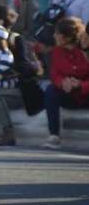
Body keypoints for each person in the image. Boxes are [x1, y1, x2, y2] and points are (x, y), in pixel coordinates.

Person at [42, 17, 89, 149]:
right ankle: (54, 135)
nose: (54, 36)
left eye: (58, 33)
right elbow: (55, 74)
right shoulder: (57, 51)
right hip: (69, 93)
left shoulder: (85, 51)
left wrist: (80, 85)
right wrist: (63, 82)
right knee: (51, 90)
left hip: (85, 94)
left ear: (67, 37)